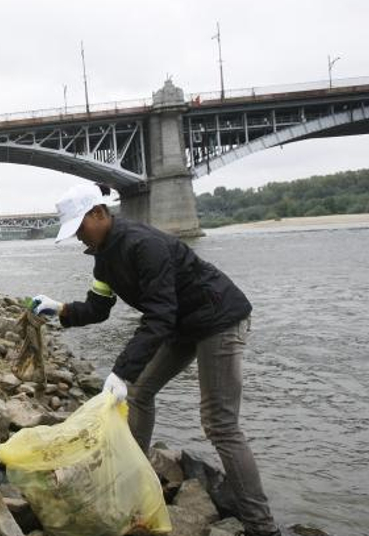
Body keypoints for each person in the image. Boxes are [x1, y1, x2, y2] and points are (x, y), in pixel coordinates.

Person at [31, 183, 279, 536]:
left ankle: (263, 527)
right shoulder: (103, 257)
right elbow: (100, 308)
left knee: (220, 423)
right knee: (140, 393)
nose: (78, 238)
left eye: (79, 229)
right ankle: (135, 479)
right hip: (182, 324)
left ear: (98, 214)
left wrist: (120, 371)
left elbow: (159, 316)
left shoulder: (143, 245)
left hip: (219, 318)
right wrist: (63, 309)